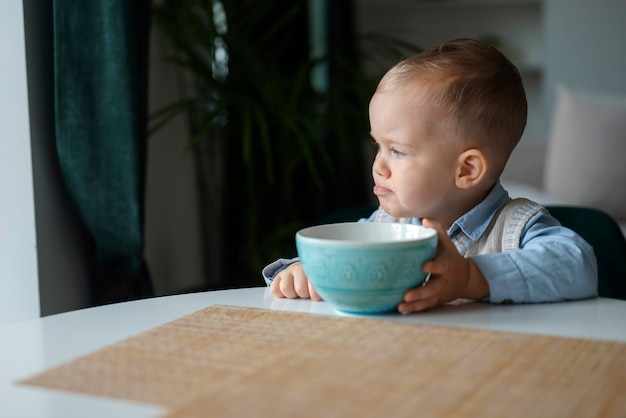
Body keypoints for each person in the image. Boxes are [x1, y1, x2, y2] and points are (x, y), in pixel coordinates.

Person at [262, 38, 598, 314]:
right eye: (378, 146)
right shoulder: (387, 227)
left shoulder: (515, 226)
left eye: (397, 151)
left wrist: (470, 276)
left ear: (465, 170)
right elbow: (334, 260)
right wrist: (302, 273)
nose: (378, 166)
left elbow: (578, 265)